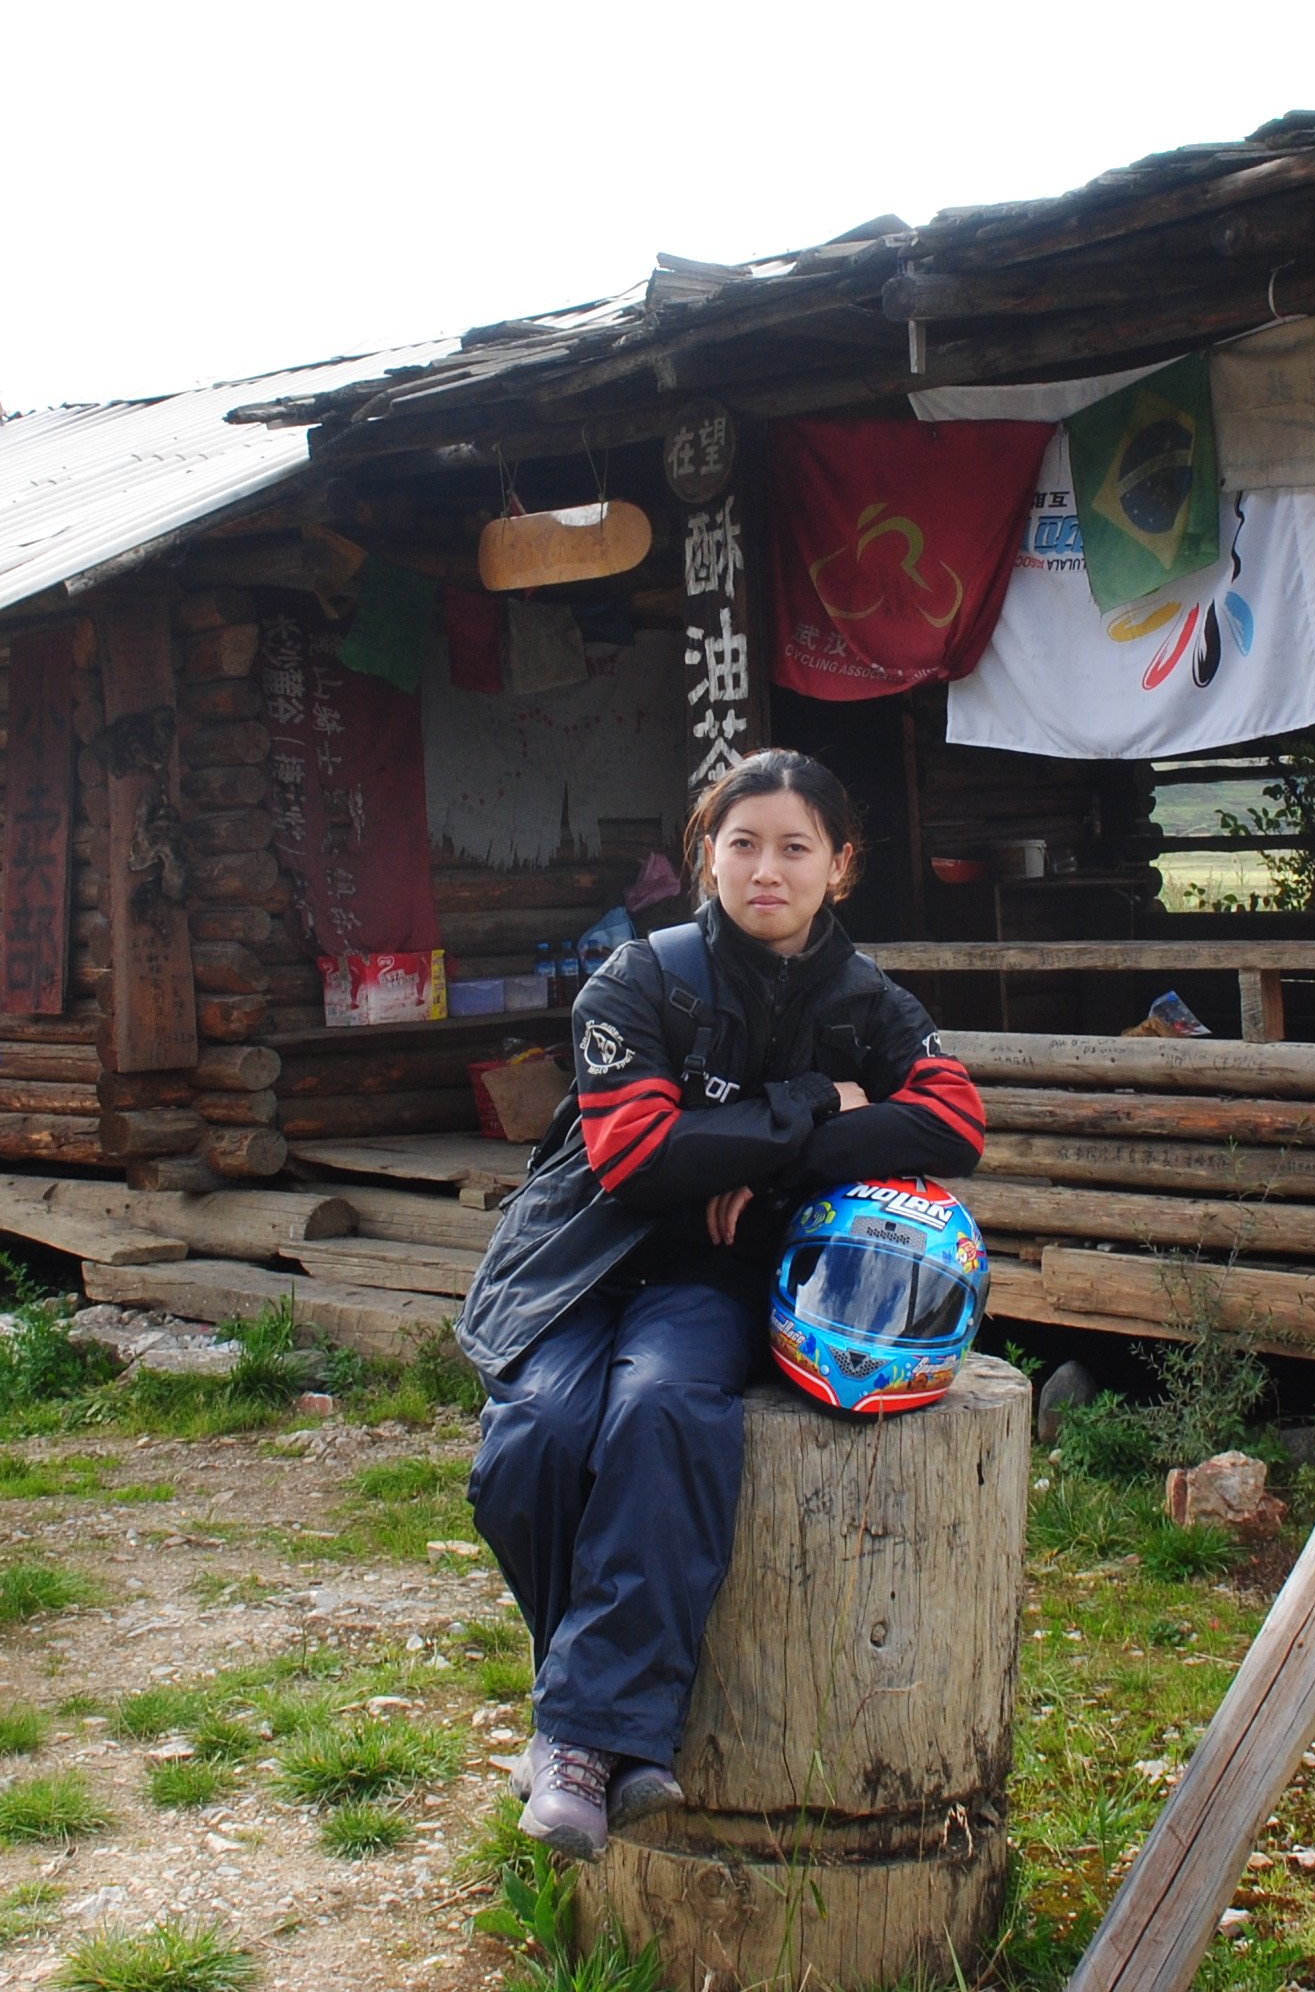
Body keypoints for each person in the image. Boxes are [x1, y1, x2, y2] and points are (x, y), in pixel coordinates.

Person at [454, 749, 986, 1860]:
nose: (765, 869)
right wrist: (801, 1106)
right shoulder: (636, 980)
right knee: (534, 1441)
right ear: (707, 853)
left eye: (796, 846)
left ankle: (579, 1743)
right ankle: (602, 1726)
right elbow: (639, 1160)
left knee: (660, 1410)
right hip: (583, 1257)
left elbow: (950, 1122)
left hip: (714, 1269)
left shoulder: (868, 1002)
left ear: (839, 867)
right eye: (741, 842)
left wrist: (761, 1162)